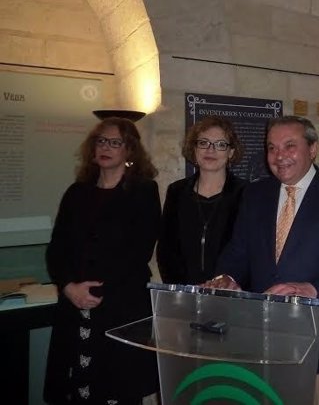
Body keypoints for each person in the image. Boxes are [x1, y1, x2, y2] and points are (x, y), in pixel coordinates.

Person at [209, 115, 319, 405]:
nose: (279, 156)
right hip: (263, 334)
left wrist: (312, 288)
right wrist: (228, 276)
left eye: (289, 146)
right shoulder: (254, 194)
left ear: (312, 149)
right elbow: (238, 249)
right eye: (272, 148)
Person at [44, 117, 161, 405]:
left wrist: (96, 291)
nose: (106, 147)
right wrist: (69, 287)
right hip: (74, 306)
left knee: (118, 388)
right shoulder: (76, 193)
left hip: (120, 308)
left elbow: (138, 252)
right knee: (77, 387)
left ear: (129, 151)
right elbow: (57, 249)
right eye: (101, 141)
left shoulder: (143, 192)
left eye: (115, 142)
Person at [157, 116, 246, 284]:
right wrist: (183, 290)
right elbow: (166, 250)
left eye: (220, 144)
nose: (210, 150)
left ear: (231, 152)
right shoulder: (177, 191)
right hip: (184, 295)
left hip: (229, 295)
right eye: (203, 143)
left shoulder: (246, 194)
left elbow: (249, 250)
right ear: (194, 149)